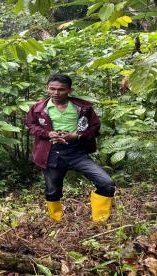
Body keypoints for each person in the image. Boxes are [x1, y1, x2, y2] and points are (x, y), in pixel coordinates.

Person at [26, 74, 115, 222]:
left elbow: (95, 127)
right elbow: (30, 125)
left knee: (106, 183)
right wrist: (48, 133)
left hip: (76, 152)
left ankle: (100, 221)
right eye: (52, 89)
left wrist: (77, 136)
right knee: (52, 190)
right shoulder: (38, 108)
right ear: (47, 88)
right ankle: (56, 221)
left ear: (70, 90)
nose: (56, 93)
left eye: (61, 90)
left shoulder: (82, 108)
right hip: (51, 153)